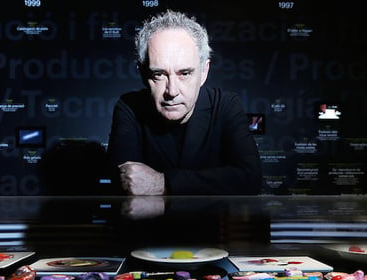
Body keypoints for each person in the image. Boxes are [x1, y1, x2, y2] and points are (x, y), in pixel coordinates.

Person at [107, 10, 262, 195]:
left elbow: (250, 178)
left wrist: (163, 183)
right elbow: (125, 183)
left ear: (204, 72)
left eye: (185, 73)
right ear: (143, 74)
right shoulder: (129, 107)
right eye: (159, 75)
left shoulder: (226, 105)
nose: (172, 91)